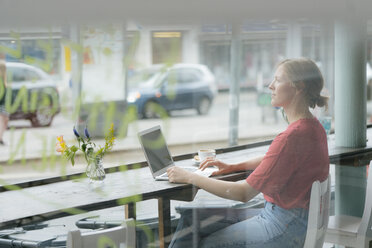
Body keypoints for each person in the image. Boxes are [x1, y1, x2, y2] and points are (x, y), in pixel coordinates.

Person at [167, 58, 330, 248]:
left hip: (284, 226)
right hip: (293, 220)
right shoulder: (312, 126)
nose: (270, 86)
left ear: (299, 86)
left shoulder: (291, 137)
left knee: (207, 243)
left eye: (278, 80)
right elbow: (275, 160)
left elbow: (243, 193)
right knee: (191, 220)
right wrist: (233, 166)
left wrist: (189, 177)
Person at [0, 60, 8, 145]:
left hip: (3, 104)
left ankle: (1, 138)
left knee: (5, 120)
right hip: (1, 104)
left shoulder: (3, 79)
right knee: (2, 121)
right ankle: (0, 138)